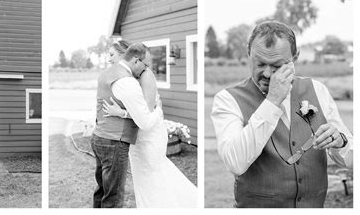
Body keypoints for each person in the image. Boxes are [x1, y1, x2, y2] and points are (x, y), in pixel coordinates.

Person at [211, 21, 353, 208]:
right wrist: (272, 101)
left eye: (277, 66)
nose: (268, 74)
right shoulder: (227, 100)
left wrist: (340, 141)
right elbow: (235, 163)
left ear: (295, 58)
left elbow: (351, 160)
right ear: (248, 54)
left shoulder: (317, 90)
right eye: (260, 63)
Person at [102, 44, 197, 207]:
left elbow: (147, 112)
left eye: (112, 55)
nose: (110, 59)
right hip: (136, 136)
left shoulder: (145, 75)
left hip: (149, 135)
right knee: (143, 180)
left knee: (154, 176)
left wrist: (122, 113)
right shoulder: (124, 77)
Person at [91, 42, 166, 208]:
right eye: (145, 65)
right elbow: (145, 122)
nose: (146, 70)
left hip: (99, 137)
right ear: (136, 61)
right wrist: (159, 110)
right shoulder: (128, 82)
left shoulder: (106, 73)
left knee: (102, 190)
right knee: (114, 198)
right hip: (114, 142)